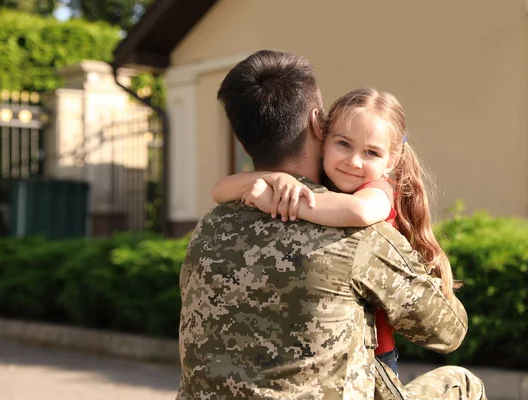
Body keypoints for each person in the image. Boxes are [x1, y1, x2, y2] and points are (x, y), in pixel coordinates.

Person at [177, 49, 486, 399]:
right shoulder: (354, 234)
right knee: (462, 385)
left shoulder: (209, 227)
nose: (355, 160)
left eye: (371, 152)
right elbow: (449, 330)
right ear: (317, 122)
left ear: (241, 138)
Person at [212, 87, 459, 377]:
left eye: (371, 152)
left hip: (373, 358)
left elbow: (359, 212)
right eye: (343, 144)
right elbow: (219, 190)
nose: (354, 161)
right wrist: (275, 178)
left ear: (392, 160)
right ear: (323, 139)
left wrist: (289, 204)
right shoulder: (321, 183)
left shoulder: (378, 190)